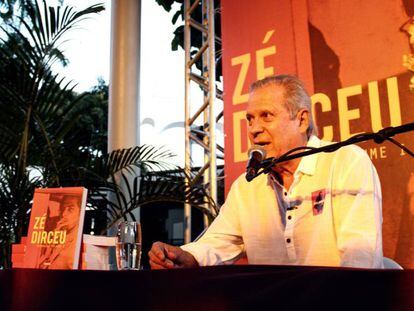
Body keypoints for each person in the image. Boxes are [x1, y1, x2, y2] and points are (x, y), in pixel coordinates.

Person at [148, 74, 383, 269]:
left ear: (301, 120)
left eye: (266, 116)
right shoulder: (247, 185)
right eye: (250, 120)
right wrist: (183, 256)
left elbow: (359, 257)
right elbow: (217, 242)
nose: (254, 130)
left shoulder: (345, 163)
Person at [37, 195, 82, 269]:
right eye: (62, 209)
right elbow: (43, 264)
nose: (63, 214)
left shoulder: (76, 241)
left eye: (70, 209)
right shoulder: (58, 232)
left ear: (80, 213)